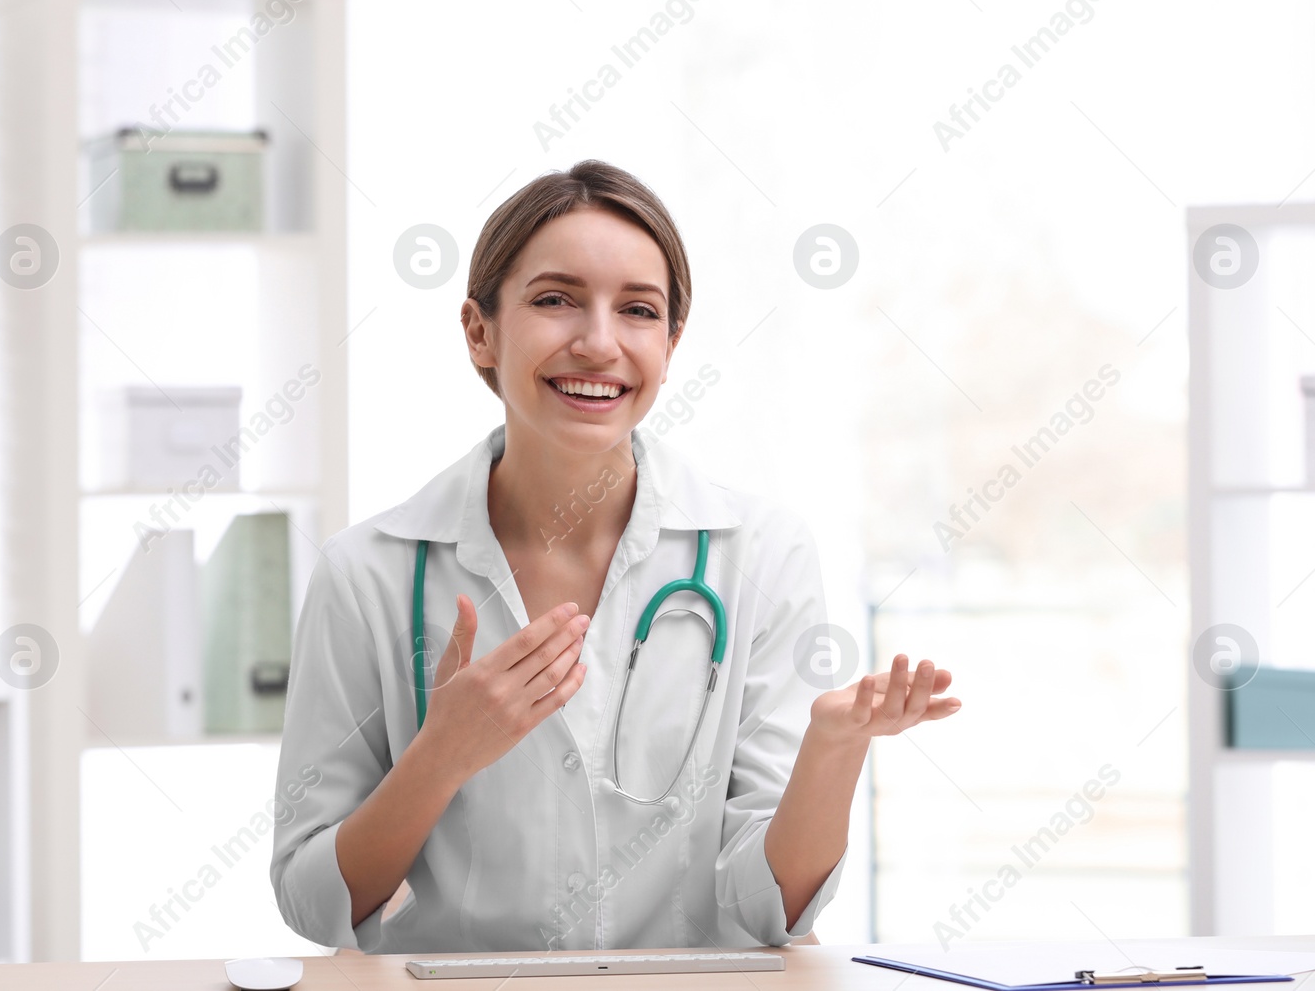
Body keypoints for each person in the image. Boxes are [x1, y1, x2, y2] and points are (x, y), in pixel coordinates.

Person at [269, 160, 961, 953]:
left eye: (638, 310)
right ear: (479, 330)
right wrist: (441, 755)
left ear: (670, 343)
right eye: (555, 299)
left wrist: (835, 749)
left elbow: (774, 910)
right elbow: (312, 897)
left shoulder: (761, 553)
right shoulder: (367, 572)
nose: (599, 343)